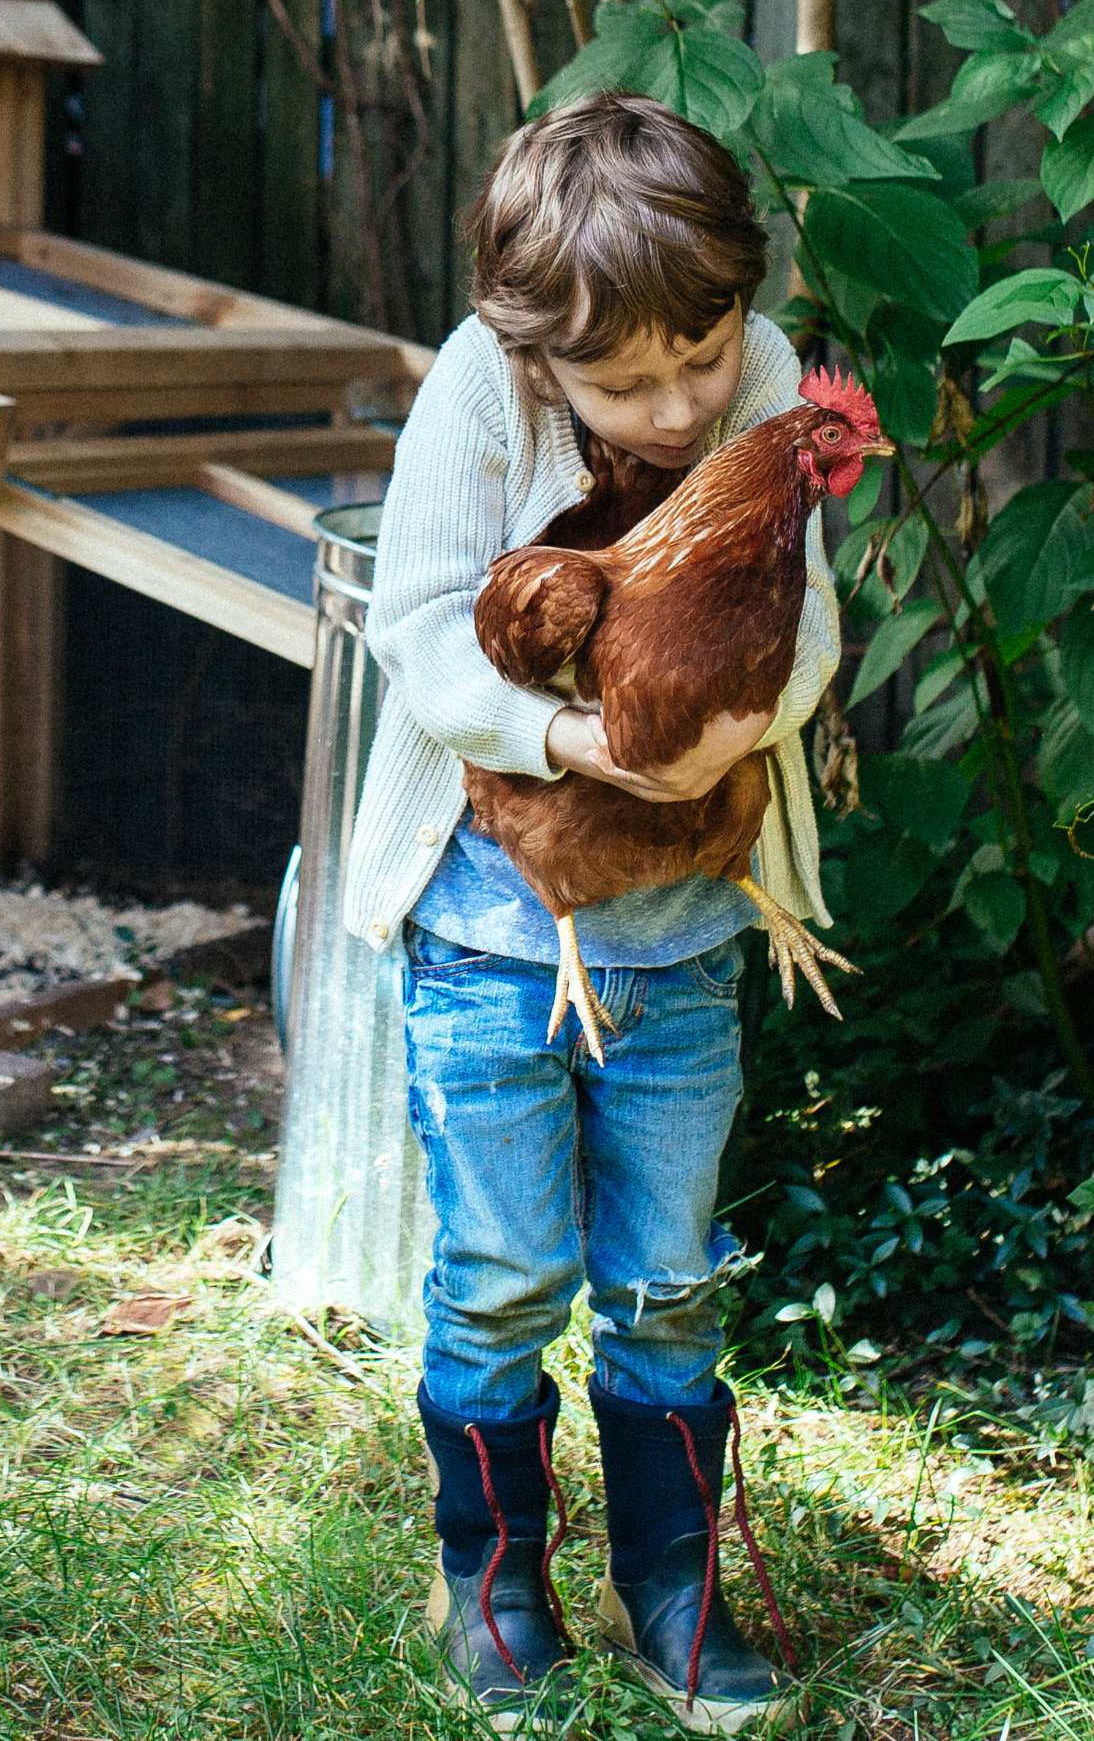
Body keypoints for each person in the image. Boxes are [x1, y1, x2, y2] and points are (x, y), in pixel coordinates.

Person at [350, 90, 837, 1731]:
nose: (684, 401)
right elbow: (415, 628)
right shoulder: (479, 389)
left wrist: (726, 731)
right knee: (499, 1267)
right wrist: (576, 740)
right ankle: (488, 1581)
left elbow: (810, 622)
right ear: (539, 353)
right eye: (629, 385)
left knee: (668, 1272)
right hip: (491, 922)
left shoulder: (754, 374)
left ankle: (674, 1585)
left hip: (689, 925)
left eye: (703, 358)